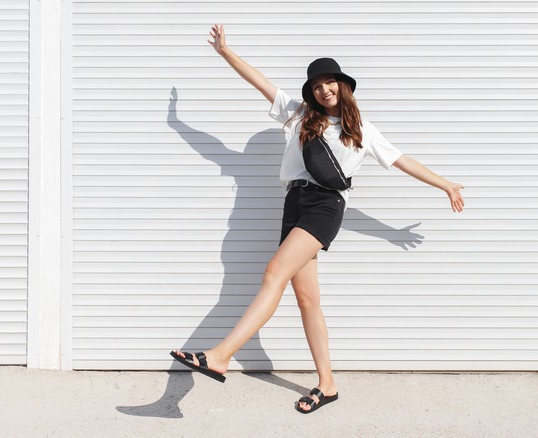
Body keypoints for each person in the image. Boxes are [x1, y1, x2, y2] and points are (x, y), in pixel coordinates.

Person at [171, 24, 465, 414]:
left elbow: (401, 160)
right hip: (294, 202)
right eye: (317, 85)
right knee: (308, 299)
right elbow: (259, 82)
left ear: (343, 87)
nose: (323, 89)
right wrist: (226, 53)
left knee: (274, 273)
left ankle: (221, 354)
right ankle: (327, 385)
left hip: (325, 206)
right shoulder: (298, 115)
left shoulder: (361, 131)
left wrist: (446, 185)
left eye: (330, 83)